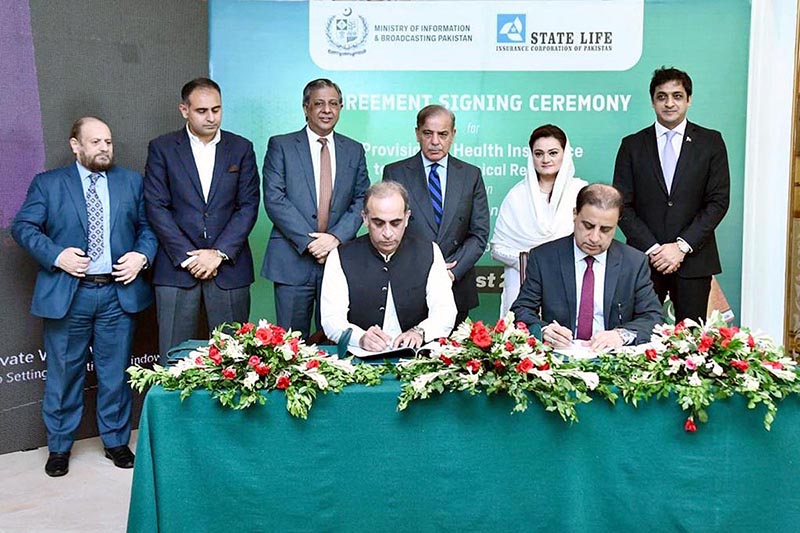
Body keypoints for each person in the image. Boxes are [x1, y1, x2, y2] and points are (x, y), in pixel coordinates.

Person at [12, 117, 157, 476]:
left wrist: (142, 256)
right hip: (69, 294)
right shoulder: (48, 184)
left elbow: (148, 228)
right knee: (64, 374)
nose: (104, 148)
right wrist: (56, 255)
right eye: (95, 142)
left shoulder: (131, 182)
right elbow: (23, 227)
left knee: (114, 375)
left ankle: (116, 442)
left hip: (116, 293)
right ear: (76, 145)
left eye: (108, 141)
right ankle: (59, 447)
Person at [144, 78, 260, 361]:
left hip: (228, 270)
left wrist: (218, 254)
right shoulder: (162, 148)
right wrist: (190, 257)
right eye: (202, 111)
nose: (211, 117)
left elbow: (248, 205)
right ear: (184, 110)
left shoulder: (241, 148)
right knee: (174, 361)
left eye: (217, 110)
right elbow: (157, 206)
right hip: (176, 269)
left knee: (235, 362)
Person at [613, 67, 730, 323]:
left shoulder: (711, 142)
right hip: (645, 261)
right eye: (662, 96)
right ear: (653, 101)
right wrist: (655, 250)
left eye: (677, 96)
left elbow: (718, 201)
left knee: (691, 346)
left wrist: (680, 247)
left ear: (689, 99)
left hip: (694, 260)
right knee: (641, 341)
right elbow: (621, 205)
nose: (669, 103)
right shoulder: (632, 145)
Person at [261, 78, 370, 339]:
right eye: (319, 103)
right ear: (306, 108)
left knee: (334, 340)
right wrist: (312, 243)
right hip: (292, 259)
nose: (327, 110)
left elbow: (362, 200)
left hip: (338, 259)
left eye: (333, 104)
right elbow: (274, 198)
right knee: (290, 346)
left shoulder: (354, 150)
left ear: (341, 107)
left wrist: (334, 238)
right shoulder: (281, 145)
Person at [511, 184, 662, 350]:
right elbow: (521, 310)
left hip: (615, 359)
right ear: (575, 214)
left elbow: (653, 317)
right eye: (588, 226)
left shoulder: (634, 262)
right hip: (559, 358)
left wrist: (621, 335)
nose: (594, 238)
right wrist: (545, 330)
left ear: (616, 224)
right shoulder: (544, 257)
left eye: (605, 229)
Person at [382, 104, 489, 326]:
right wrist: (425, 268)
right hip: (410, 282)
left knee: (453, 357)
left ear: (453, 135)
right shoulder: (395, 172)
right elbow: (389, 231)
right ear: (417, 133)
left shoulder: (471, 175)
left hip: (456, 284)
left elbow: (479, 234)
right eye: (428, 133)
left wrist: (451, 272)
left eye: (443, 134)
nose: (435, 141)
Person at [321, 181, 457, 352]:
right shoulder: (340, 256)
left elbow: (445, 311)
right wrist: (360, 338)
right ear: (365, 219)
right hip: (358, 359)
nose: (387, 233)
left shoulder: (430, 252)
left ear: (407, 218)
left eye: (395, 223)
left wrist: (420, 332)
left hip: (416, 358)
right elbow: (331, 319)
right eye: (378, 223)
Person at [491, 124, 588, 317]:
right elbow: (497, 249)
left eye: (553, 153)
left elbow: (590, 242)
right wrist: (533, 263)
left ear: (565, 153)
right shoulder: (516, 196)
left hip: (570, 284)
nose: (545, 160)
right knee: (523, 343)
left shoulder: (581, 192)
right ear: (531, 156)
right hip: (523, 287)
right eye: (539, 153)